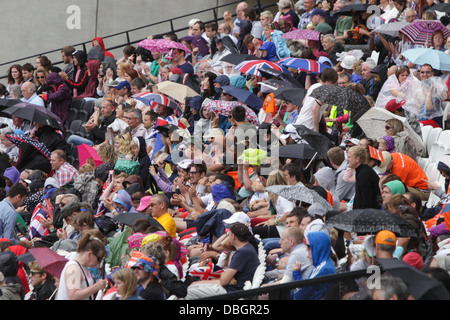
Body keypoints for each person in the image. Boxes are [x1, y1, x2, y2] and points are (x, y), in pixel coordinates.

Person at [185, 222, 260, 299]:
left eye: (229, 234)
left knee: (189, 292)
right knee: (193, 285)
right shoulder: (246, 247)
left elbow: (223, 281)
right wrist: (228, 276)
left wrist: (227, 276)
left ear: (233, 236)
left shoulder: (242, 252)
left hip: (233, 291)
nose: (227, 236)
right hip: (231, 287)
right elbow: (220, 245)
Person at [56, 232, 107, 300]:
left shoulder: (83, 267)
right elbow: (73, 295)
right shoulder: (73, 268)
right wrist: (96, 287)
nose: (99, 262)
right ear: (90, 254)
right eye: (98, 258)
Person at [291, 231, 336, 300]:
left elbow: (298, 296)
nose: (306, 250)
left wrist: (297, 275)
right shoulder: (324, 265)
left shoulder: (324, 268)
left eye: (308, 246)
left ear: (318, 247)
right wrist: (297, 273)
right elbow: (302, 290)